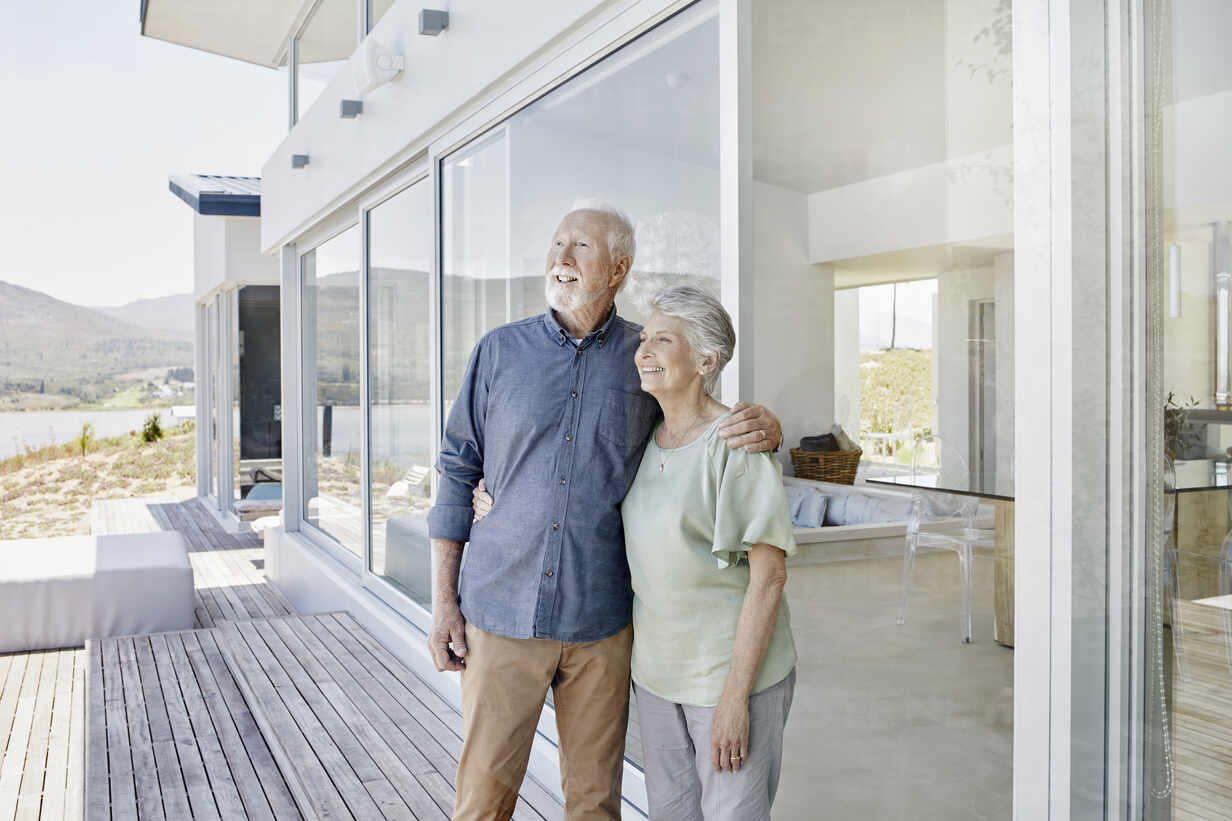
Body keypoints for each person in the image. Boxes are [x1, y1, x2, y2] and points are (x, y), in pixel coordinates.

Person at [426, 201, 783, 821]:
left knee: (594, 803)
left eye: (581, 248)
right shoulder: (498, 352)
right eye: (557, 244)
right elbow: (458, 472)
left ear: (618, 269)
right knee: (483, 799)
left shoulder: (645, 358)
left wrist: (769, 428)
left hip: (603, 623)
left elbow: (704, 423)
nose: (561, 259)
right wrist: (443, 603)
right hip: (501, 611)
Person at [622, 285, 797, 821]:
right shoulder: (645, 437)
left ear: (707, 360)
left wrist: (733, 701)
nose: (644, 351)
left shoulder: (738, 443)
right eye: (644, 338)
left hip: (728, 677)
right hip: (656, 678)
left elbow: (768, 579)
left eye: (663, 340)